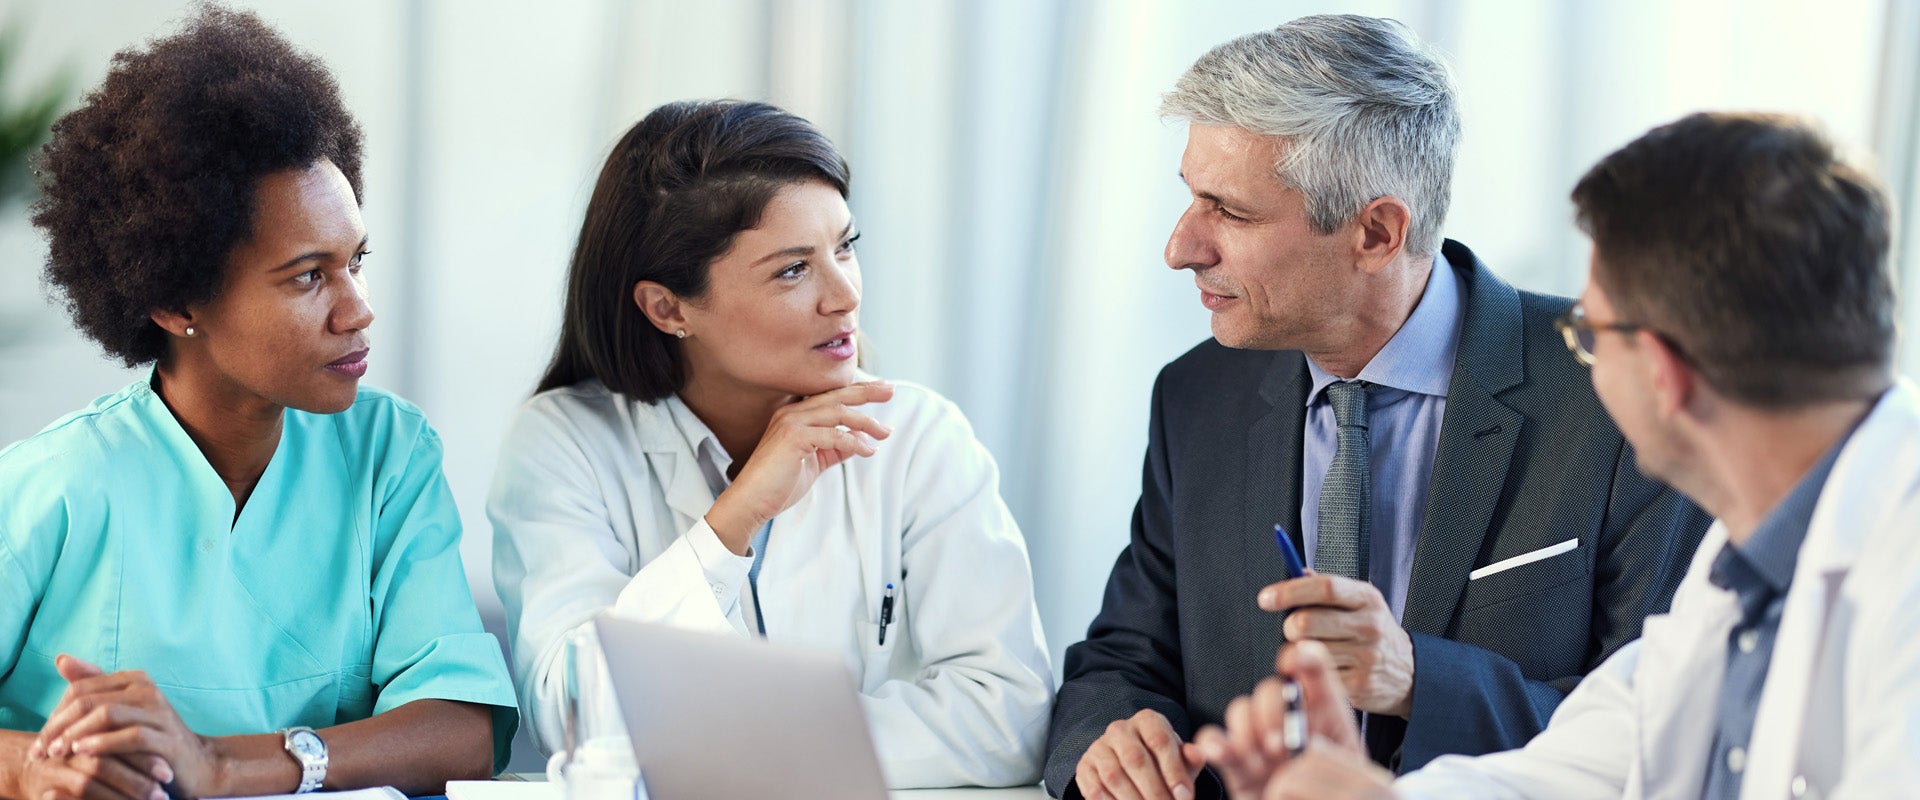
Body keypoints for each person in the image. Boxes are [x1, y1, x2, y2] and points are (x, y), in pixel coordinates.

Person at [1045, 15, 1710, 800]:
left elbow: (1675, 731)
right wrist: (1112, 734)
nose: (1181, 245)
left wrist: (1417, 680)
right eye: (1192, 198)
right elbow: (1121, 659)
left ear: (1376, 232)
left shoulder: (1613, 394)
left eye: (1230, 210)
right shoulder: (1198, 397)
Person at [1200, 111, 1917, 799]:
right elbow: (1596, 763)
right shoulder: (1747, 564)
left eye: (1591, 333)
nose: (1582, 360)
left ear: (1663, 374)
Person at [0, 8, 519, 800]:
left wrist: (224, 766)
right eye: (309, 275)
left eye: (357, 261)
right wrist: (35, 769)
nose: (358, 310)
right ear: (177, 302)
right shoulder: (54, 485)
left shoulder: (388, 455)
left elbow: (463, 729)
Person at [488, 99, 1054, 789]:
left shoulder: (920, 440)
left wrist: (734, 745)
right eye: (793, 270)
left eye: (845, 246)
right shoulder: (565, 444)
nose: (844, 295)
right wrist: (734, 521)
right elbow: (581, 715)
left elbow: (1008, 720)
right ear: (668, 308)